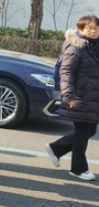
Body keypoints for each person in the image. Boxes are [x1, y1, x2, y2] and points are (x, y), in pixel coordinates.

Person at [45, 15, 99, 181]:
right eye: (89, 28)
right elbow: (66, 72)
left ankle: (57, 149)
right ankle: (78, 168)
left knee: (87, 130)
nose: (94, 31)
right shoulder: (76, 47)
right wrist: (68, 95)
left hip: (92, 97)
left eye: (96, 27)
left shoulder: (94, 47)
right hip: (81, 96)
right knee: (84, 131)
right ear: (81, 29)